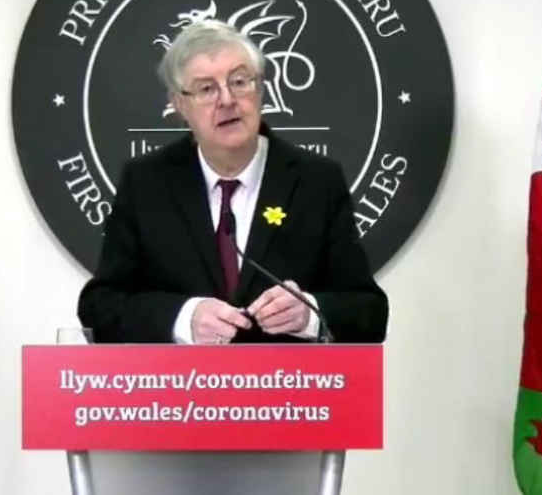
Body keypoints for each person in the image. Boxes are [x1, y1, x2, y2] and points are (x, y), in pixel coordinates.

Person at [77, 20, 387, 344]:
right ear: (180, 105)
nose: (227, 100)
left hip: (289, 389)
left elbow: (370, 312)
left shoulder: (317, 182)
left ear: (261, 89)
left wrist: (310, 314)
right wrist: (185, 317)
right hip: (181, 390)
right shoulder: (146, 184)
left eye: (239, 81)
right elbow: (99, 306)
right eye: (206, 88)